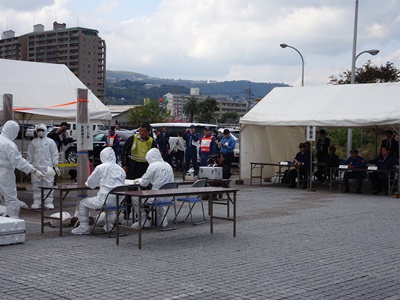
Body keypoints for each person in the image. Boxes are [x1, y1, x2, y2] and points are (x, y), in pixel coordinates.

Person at [71, 147, 126, 234]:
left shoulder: (101, 168)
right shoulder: (121, 170)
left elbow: (90, 184)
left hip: (104, 200)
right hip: (118, 201)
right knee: (110, 208)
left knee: (83, 203)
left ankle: (84, 227)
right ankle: (109, 226)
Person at [0, 120, 43, 218]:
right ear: (13, 131)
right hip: (5, 173)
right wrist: (33, 170)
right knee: (10, 197)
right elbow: (18, 161)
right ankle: (13, 220)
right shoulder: (8, 144)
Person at [130, 148, 175, 229]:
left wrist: (138, 180)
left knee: (135, 198)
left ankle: (143, 220)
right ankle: (162, 220)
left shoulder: (153, 166)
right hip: (169, 197)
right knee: (159, 195)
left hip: (156, 197)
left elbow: (144, 182)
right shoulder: (168, 165)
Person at [121, 122, 157, 219]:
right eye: (141, 130)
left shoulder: (152, 141)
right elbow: (124, 152)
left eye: (144, 131)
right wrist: (124, 165)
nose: (142, 133)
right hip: (132, 165)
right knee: (130, 190)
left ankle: (142, 214)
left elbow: (155, 154)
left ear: (148, 132)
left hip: (145, 166)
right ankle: (127, 211)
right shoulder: (132, 139)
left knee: (145, 190)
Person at [27, 124, 60, 209]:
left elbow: (55, 154)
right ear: (36, 131)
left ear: (45, 131)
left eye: (42, 130)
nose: (40, 132)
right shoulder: (33, 142)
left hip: (47, 167)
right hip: (36, 167)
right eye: (39, 130)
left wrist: (55, 165)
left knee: (48, 184)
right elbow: (29, 155)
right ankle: (37, 201)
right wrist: (28, 166)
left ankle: (48, 202)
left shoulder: (50, 142)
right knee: (36, 185)